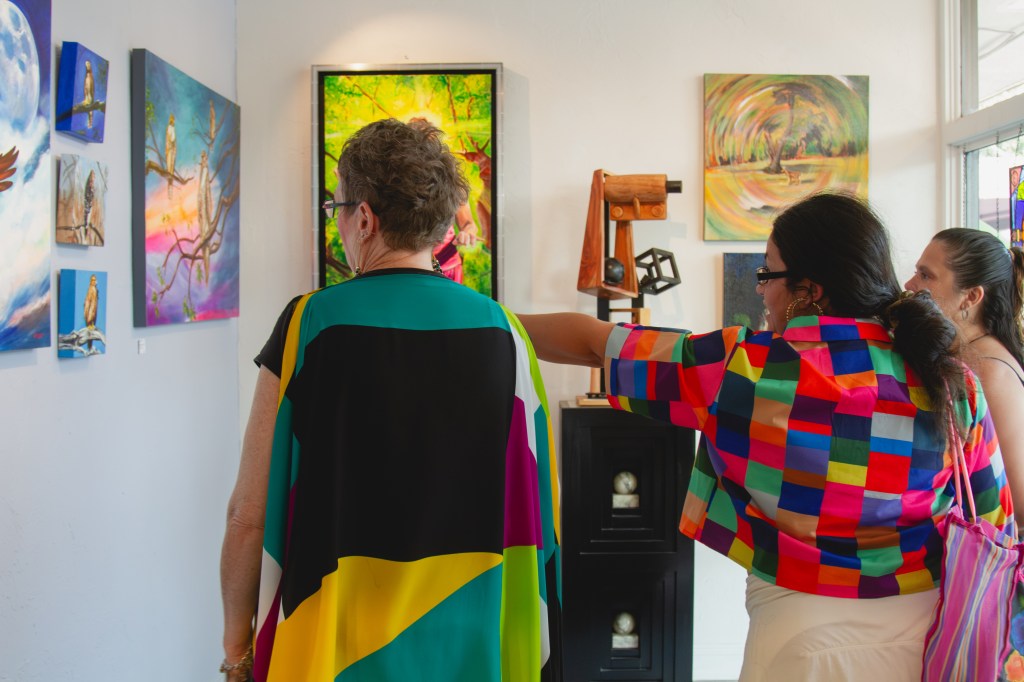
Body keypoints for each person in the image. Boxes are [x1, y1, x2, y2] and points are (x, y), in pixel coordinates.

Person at [519, 192, 1014, 681]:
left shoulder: (743, 368)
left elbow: (595, 343)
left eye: (767, 273)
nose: (760, 290)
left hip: (798, 638)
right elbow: (994, 517)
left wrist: (495, 321)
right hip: (928, 639)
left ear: (809, 290)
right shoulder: (953, 380)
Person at [220, 118, 561, 682]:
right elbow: (536, 513)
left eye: (337, 209)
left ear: (365, 218)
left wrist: (237, 651)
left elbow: (247, 516)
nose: (338, 225)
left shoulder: (309, 324)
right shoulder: (505, 333)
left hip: (336, 641)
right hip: (470, 642)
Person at [904, 227, 1024, 680]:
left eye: (926, 275)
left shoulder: (987, 369)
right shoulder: (968, 357)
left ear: (970, 296)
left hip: (989, 584)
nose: (910, 284)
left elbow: (1016, 500)